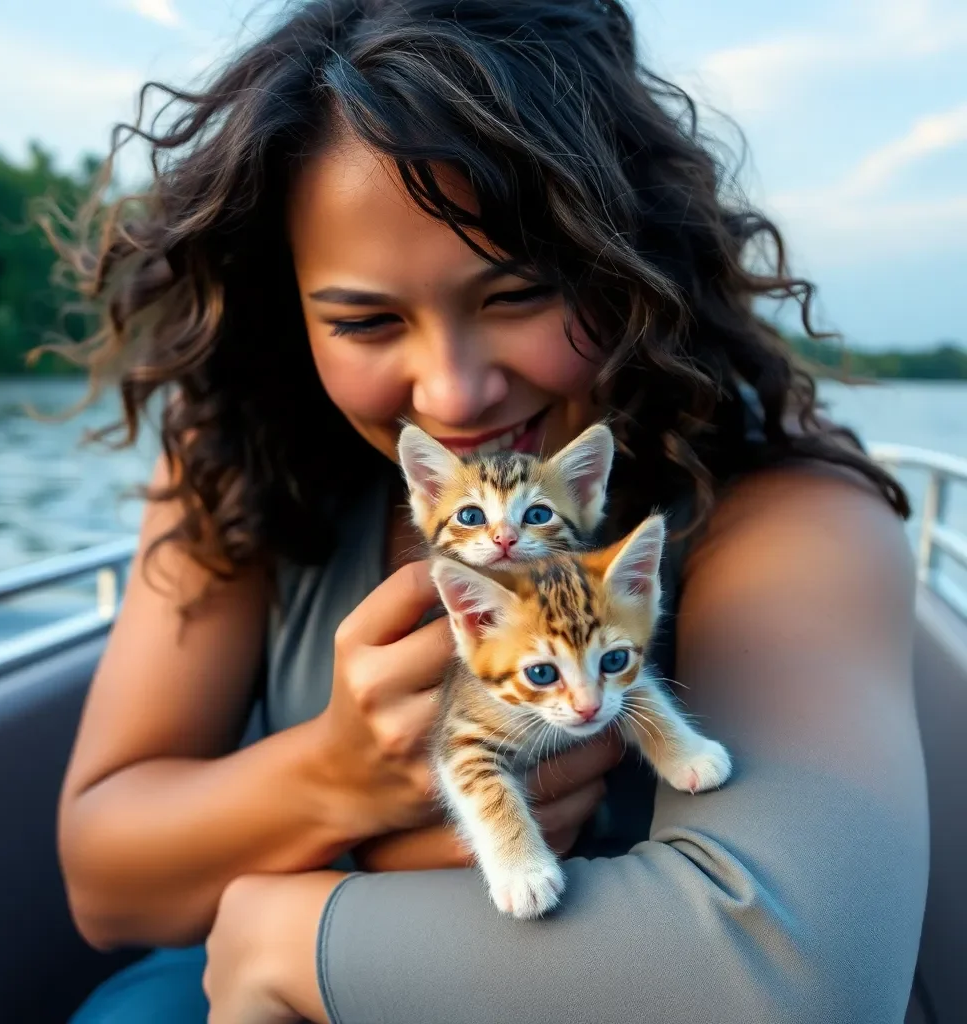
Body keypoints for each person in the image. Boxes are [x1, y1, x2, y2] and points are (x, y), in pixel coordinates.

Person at [53, 1, 928, 1021]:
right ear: (284, 309)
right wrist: (344, 780)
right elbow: (103, 883)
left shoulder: (785, 512)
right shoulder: (233, 462)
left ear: (629, 268)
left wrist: (281, 933)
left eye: (515, 296)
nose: (454, 396)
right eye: (367, 319)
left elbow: (799, 977)